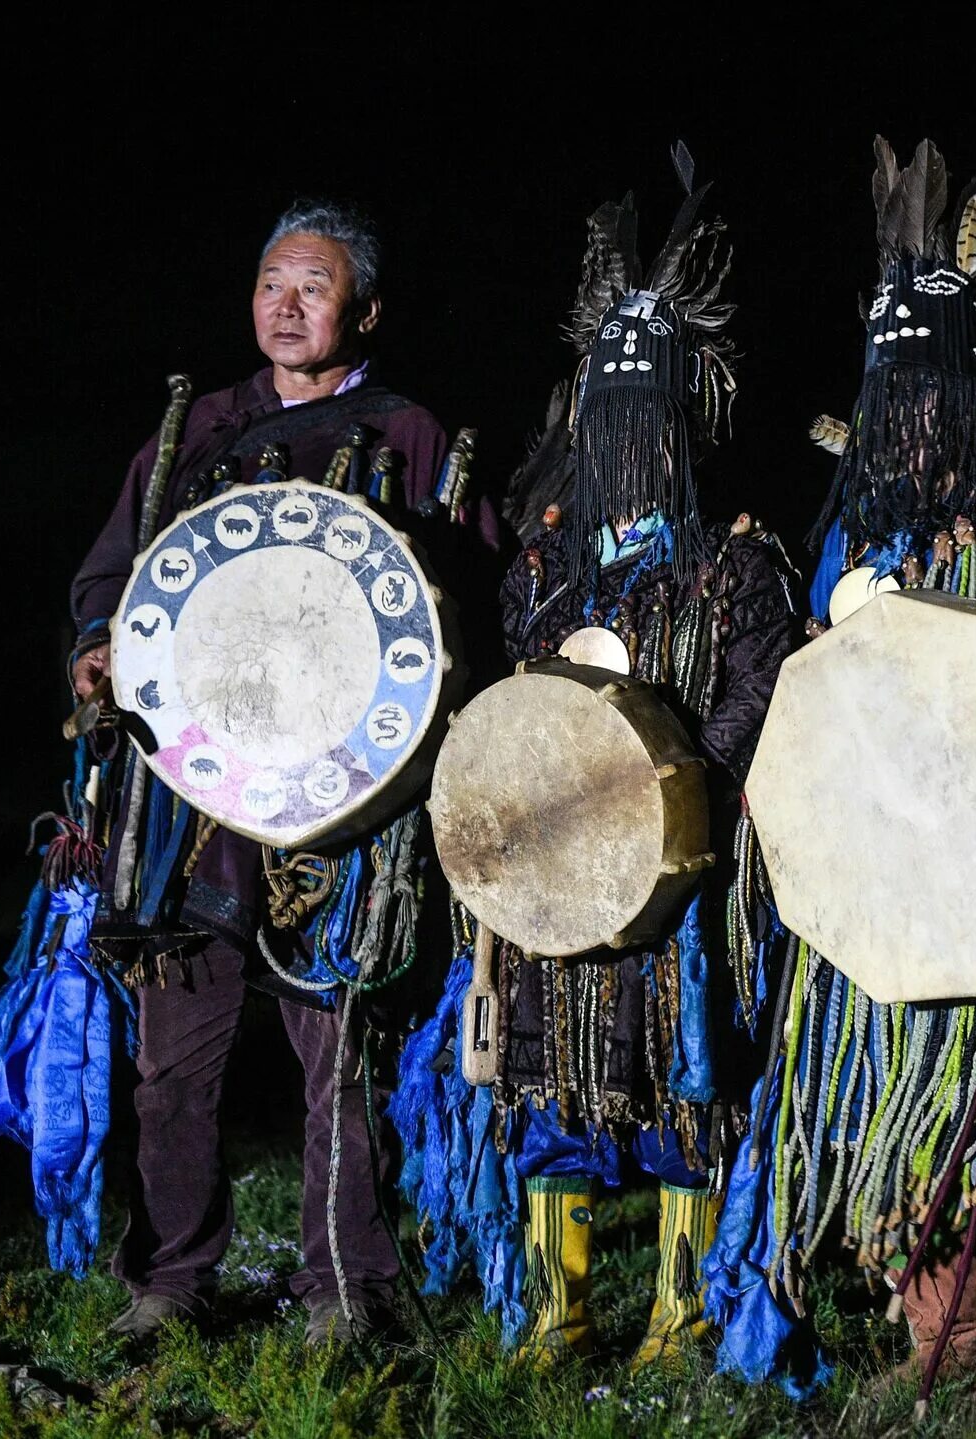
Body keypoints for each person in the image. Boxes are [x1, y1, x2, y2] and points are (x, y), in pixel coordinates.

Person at [705, 137, 976, 1406]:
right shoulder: (850, 532)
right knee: (899, 1098)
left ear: (975, 394)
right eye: (884, 396)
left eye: (925, 394)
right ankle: (932, 1324)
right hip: (889, 878)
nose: (904, 422)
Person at [391, 147, 800, 1373]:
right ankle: (558, 1309)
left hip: (683, 871)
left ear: (689, 408)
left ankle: (679, 1308)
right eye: (607, 399)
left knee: (678, 1082)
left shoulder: (735, 558)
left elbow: (758, 685)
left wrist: (671, 790)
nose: (627, 423)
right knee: (550, 1072)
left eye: (650, 401)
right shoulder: (547, 563)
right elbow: (519, 699)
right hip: (558, 871)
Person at [70, 200, 500, 1348]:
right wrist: (96, 648)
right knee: (171, 1062)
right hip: (194, 805)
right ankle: (168, 1281)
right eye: (271, 283)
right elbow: (113, 575)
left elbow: (467, 600)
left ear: (364, 306)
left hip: (347, 812)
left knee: (339, 1059)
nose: (286, 305)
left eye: (313, 287)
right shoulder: (197, 430)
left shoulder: (410, 434)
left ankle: (345, 1291)